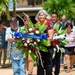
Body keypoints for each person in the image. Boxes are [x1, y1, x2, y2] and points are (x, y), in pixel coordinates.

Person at [35, 10, 54, 75]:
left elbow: (51, 37)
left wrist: (43, 40)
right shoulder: (37, 24)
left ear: (46, 16)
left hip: (48, 47)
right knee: (39, 64)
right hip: (39, 48)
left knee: (48, 65)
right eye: (39, 15)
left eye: (42, 15)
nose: (41, 16)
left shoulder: (49, 23)